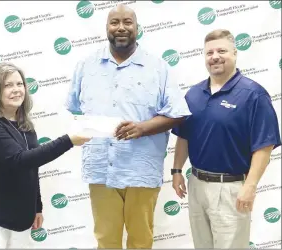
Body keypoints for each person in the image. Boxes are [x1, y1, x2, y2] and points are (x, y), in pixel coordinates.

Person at [65, 4, 191, 249]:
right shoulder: (86, 66)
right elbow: (75, 109)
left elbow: (178, 114)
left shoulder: (158, 68)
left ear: (137, 28)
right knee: (105, 239)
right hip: (101, 168)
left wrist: (142, 128)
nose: (121, 27)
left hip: (140, 169)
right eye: (115, 22)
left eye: (127, 22)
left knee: (141, 240)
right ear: (107, 28)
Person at [171, 29, 281, 249]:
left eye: (221, 50)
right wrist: (176, 171)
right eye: (209, 52)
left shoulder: (253, 94)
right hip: (197, 185)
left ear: (235, 53)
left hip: (231, 189)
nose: (215, 56)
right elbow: (183, 136)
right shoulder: (193, 95)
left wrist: (250, 185)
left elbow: (264, 146)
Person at [0, 62, 91, 249]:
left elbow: (32, 167)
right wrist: (68, 141)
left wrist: (36, 207)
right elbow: (20, 160)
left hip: (20, 218)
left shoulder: (25, 126)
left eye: (19, 84)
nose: (16, 90)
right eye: (8, 85)